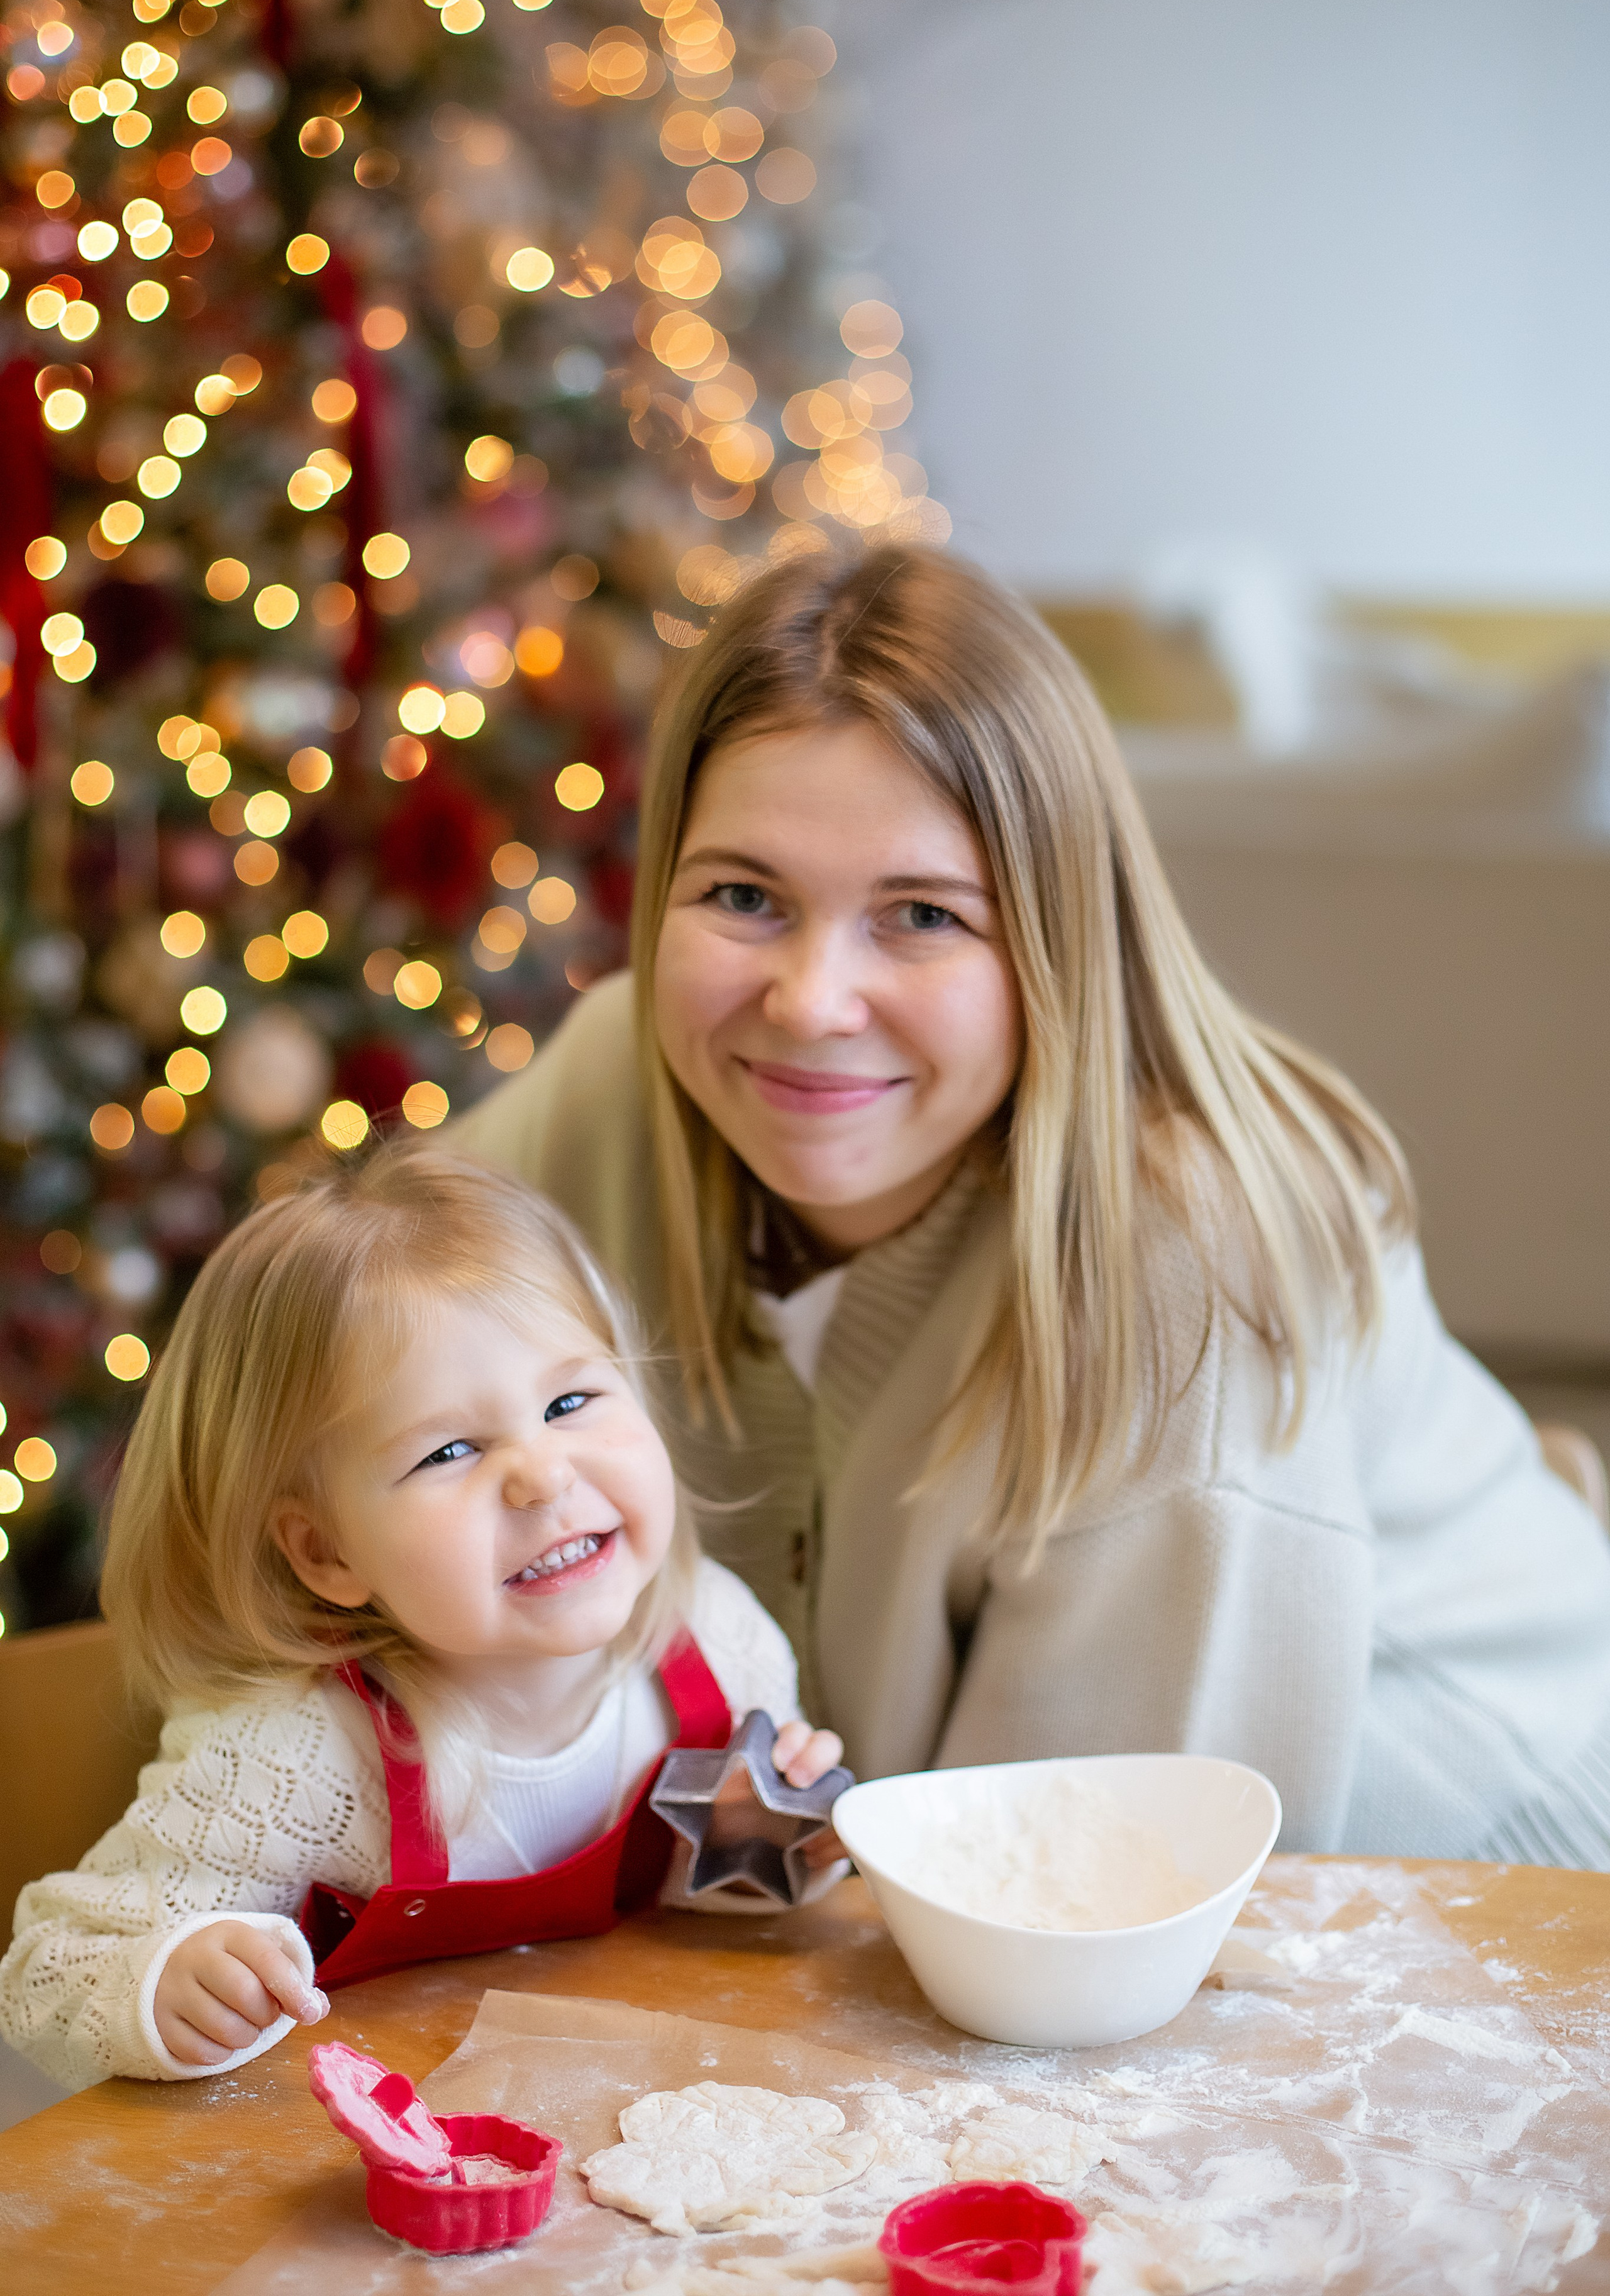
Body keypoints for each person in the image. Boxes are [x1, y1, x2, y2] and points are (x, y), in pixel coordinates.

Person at [454, 542, 1610, 1869]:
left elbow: (1080, 1897)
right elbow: (315, 1374)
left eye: (921, 916)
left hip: (1473, 1888)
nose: (810, 1003)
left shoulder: (1189, 1260)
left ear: (1055, 938)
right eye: (744, 896)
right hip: (916, 1892)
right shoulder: (618, 1076)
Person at [0, 1146, 845, 2092]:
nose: (542, 1475)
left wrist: (778, 1847)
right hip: (351, 2158)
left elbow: (697, 1913)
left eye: (570, 1401)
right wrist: (165, 1986)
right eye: (449, 1452)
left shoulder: (721, 1641)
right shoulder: (296, 1755)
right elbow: (43, 1979)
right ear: (328, 1552)